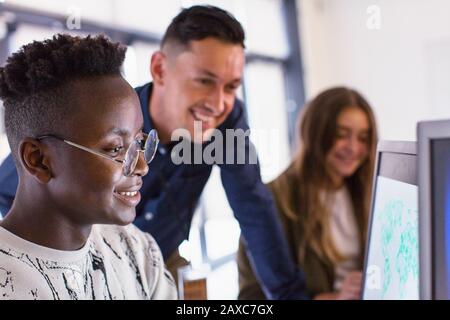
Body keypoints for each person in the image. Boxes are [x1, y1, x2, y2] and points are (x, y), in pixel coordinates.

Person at [0, 5, 307, 299]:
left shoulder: (226, 123)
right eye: (204, 81)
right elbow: (14, 189)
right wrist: (54, 248)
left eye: (231, 87)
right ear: (160, 68)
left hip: (151, 258)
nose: (218, 103)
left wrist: (291, 295)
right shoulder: (100, 115)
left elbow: (253, 207)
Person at [0, 34, 177, 300]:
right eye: (116, 149)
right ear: (38, 160)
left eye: (140, 143)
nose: (141, 166)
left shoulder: (136, 251)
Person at [237, 87, 378, 300]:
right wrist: (334, 298)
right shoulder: (272, 201)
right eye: (341, 135)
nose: (353, 148)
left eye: (363, 138)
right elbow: (251, 297)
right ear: (314, 133)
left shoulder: (368, 191)